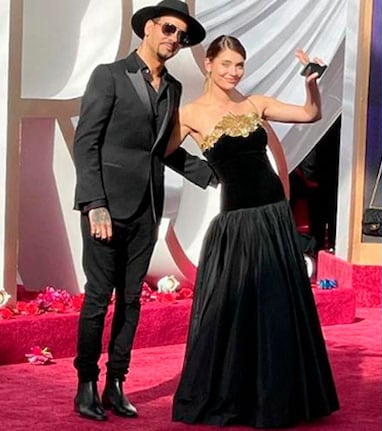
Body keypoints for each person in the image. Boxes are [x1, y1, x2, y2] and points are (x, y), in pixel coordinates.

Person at [168, 35, 339, 428]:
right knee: (234, 313)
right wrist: (202, 173)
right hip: (237, 224)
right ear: (208, 64)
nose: (233, 72)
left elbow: (310, 114)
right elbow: (160, 149)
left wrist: (311, 83)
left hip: (275, 218)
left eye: (239, 65)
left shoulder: (255, 104)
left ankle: (281, 399)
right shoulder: (190, 113)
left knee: (279, 309)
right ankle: (239, 398)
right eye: (226, 64)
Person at [72, 0, 216, 422]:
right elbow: (87, 142)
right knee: (99, 299)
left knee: (131, 299)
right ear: (149, 28)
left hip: (147, 208)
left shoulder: (173, 88)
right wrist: (94, 203)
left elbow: (164, 150)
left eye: (182, 36)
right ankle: (86, 385)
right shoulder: (109, 76)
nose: (175, 40)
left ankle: (117, 383)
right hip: (106, 206)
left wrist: (213, 172)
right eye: (169, 30)